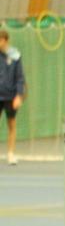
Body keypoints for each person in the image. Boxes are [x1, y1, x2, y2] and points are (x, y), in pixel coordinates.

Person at [0, 28, 26, 166]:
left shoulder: (15, 56)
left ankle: (10, 154)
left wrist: (19, 96)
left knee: (11, 125)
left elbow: (20, 78)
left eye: (1, 40)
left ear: (6, 40)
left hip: (11, 97)